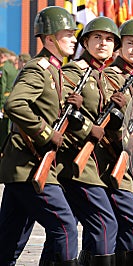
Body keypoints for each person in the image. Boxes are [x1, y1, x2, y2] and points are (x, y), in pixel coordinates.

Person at [0, 6, 79, 265]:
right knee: (66, 228)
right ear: (49, 39)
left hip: (24, 169)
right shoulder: (38, 69)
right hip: (30, 165)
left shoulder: (56, 72)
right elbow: (15, 105)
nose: (74, 39)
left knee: (8, 244)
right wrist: (47, 133)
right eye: (68, 34)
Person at [58, 16, 121, 265]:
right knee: (105, 225)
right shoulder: (74, 72)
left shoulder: (108, 76)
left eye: (108, 40)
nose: (103, 43)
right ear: (85, 41)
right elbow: (61, 114)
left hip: (101, 164)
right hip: (76, 162)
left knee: (67, 231)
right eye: (97, 38)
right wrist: (86, 127)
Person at [99, 19, 133, 265]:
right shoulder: (110, 75)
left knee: (118, 229)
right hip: (112, 161)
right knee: (131, 227)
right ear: (121, 46)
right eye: (131, 43)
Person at [0, 47, 18, 149]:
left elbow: (2, 87)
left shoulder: (3, 68)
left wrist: (1, 105)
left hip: (4, 101)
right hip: (12, 98)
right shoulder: (11, 67)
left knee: (3, 128)